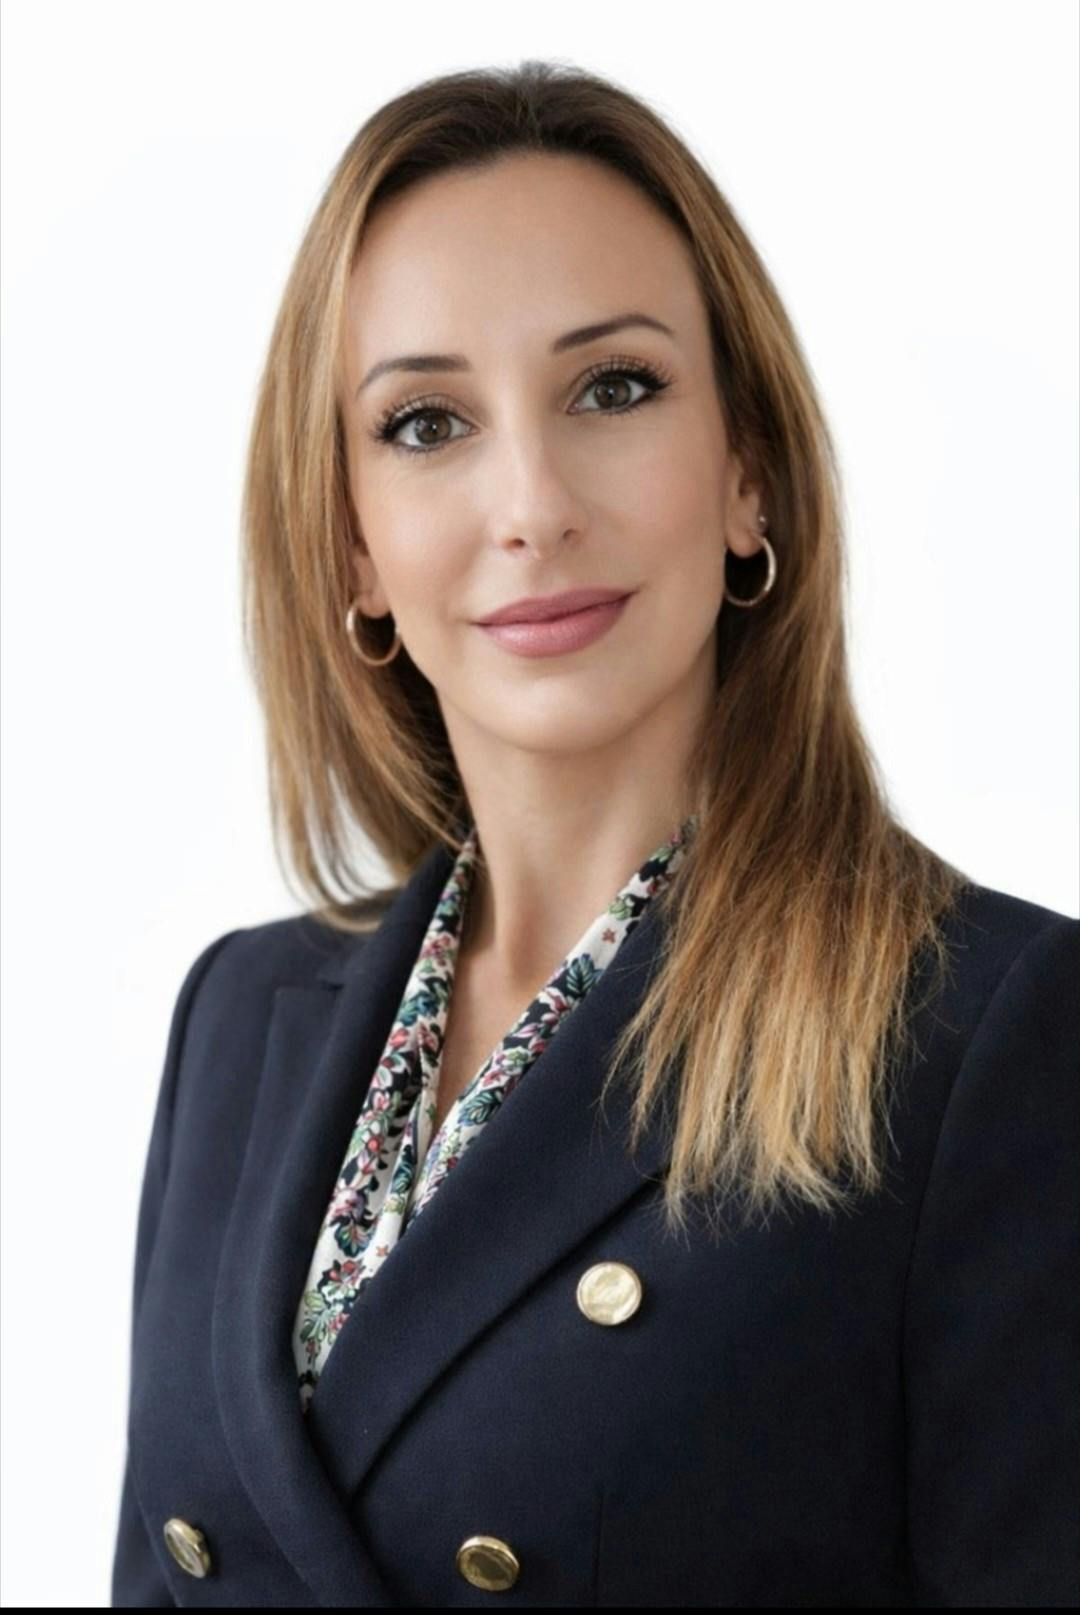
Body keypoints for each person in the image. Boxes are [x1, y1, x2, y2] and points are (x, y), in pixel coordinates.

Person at [109, 59, 1080, 1609]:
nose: (533, 504)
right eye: (427, 422)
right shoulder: (241, 1014)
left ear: (749, 474)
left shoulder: (985, 1035)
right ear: (351, 547)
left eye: (614, 390)